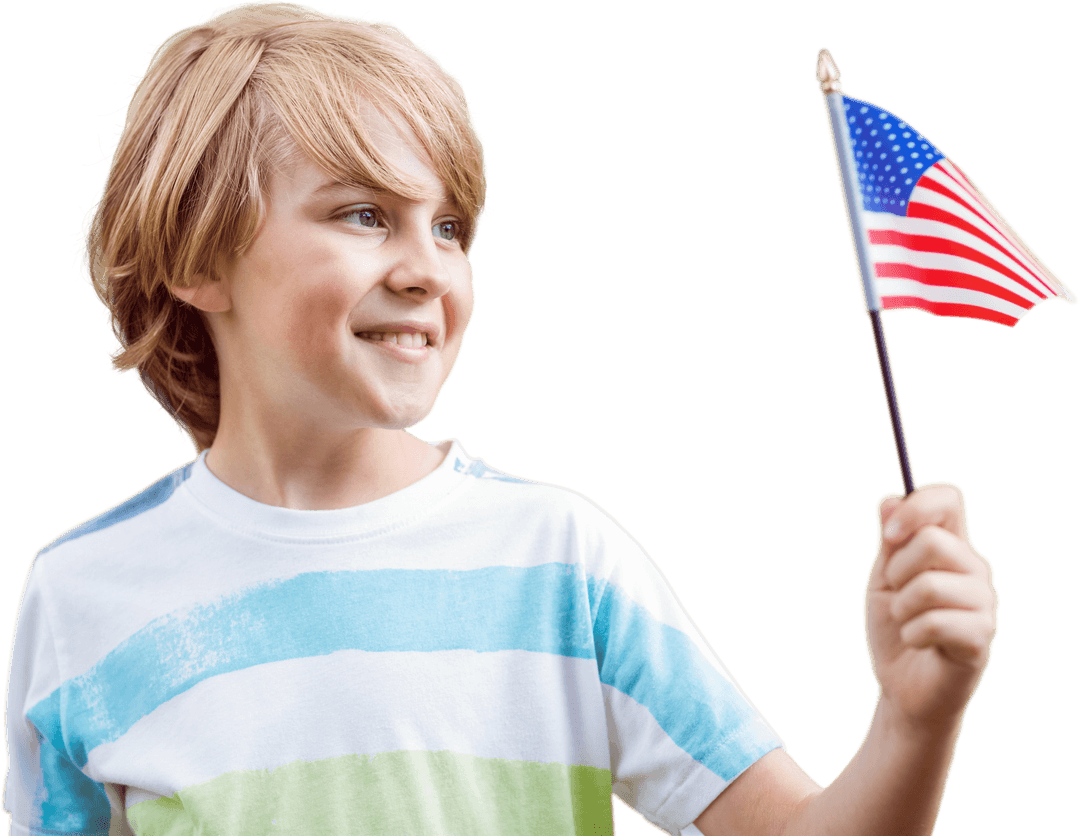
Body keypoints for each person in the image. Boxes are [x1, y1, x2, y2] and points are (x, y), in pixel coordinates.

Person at [2, 2, 999, 834]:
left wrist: (915, 715)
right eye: (362, 213)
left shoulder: (561, 558)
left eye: (449, 225)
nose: (426, 266)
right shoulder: (82, 593)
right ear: (198, 259)